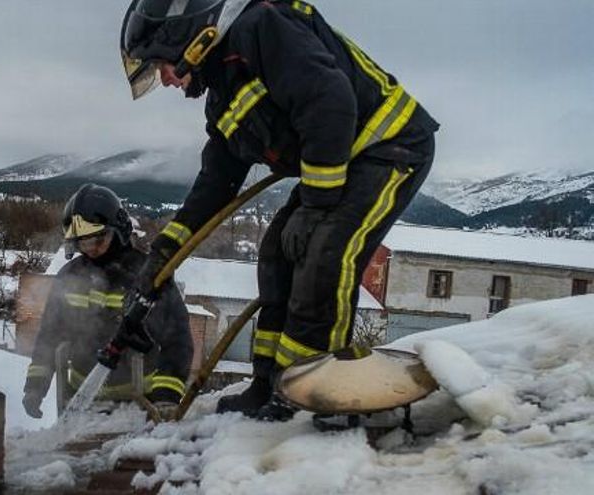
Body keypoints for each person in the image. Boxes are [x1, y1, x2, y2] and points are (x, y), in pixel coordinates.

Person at [118, 0, 439, 421]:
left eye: (163, 65)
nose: (167, 79)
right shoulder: (223, 96)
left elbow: (330, 101)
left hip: (390, 147)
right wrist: (164, 254)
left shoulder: (262, 27)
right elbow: (216, 184)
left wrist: (316, 204)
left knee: (327, 255)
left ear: (191, 36)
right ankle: (271, 383)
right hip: (337, 162)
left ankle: (318, 400)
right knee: (275, 254)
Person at [22, 184, 193, 420]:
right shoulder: (69, 277)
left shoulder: (151, 277)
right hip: (80, 401)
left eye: (96, 241)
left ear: (118, 231)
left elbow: (178, 340)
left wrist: (165, 395)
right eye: (83, 244)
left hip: (139, 403)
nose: (90, 251)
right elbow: (50, 335)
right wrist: (35, 386)